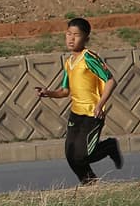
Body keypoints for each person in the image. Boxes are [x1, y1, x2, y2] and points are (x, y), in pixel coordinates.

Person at [34, 17, 123, 184]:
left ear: (86, 39)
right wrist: (48, 93)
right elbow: (64, 91)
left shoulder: (89, 58)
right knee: (71, 155)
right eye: (68, 34)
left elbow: (111, 81)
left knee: (83, 154)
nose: (71, 38)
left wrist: (100, 105)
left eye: (76, 35)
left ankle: (110, 146)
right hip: (76, 114)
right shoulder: (69, 62)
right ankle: (90, 185)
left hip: (92, 114)